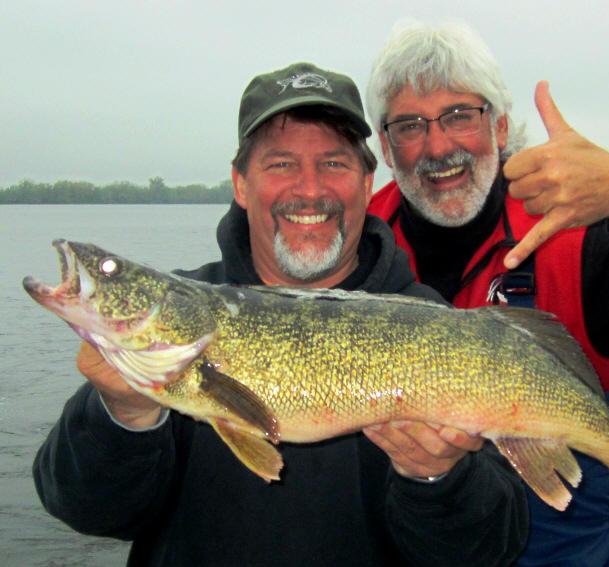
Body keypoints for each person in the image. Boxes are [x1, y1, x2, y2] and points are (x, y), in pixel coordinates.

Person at [33, 62, 529, 566]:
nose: (309, 190)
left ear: (365, 182)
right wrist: (125, 415)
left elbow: (489, 551)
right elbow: (86, 511)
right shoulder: (183, 319)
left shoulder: (434, 323)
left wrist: (438, 477)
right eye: (281, 164)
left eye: (334, 164)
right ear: (241, 184)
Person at [365, 20, 609, 567]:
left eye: (461, 115)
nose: (438, 146)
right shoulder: (361, 244)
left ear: (501, 127)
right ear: (387, 148)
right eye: (410, 126)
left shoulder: (575, 236)